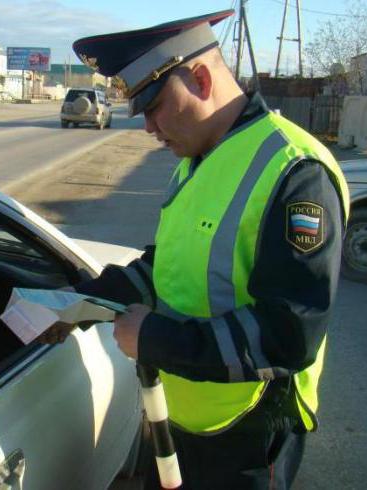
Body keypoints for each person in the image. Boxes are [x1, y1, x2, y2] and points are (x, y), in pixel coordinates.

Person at [41, 10, 350, 489]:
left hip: (247, 434)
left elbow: (289, 333)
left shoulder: (295, 170)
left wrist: (155, 340)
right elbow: (171, 266)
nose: (147, 127)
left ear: (201, 79)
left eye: (154, 106)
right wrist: (78, 301)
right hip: (183, 415)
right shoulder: (197, 158)